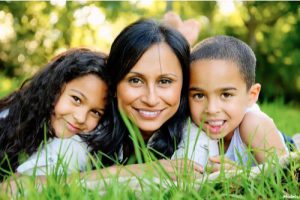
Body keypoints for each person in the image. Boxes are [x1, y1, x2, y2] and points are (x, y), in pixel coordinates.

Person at [0, 48, 111, 180]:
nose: (81, 118)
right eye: (76, 99)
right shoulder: (7, 120)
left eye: (95, 112)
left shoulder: (82, 144)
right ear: (53, 89)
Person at [188, 35, 289, 170]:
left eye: (226, 94)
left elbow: (288, 179)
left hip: (282, 142)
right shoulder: (188, 126)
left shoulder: (254, 124)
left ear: (252, 95)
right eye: (199, 95)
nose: (211, 109)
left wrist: (238, 175)